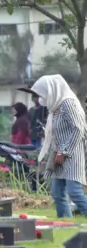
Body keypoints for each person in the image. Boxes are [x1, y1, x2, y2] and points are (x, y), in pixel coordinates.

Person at [31, 74, 87, 218]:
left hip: (72, 153)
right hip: (58, 154)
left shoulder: (68, 103)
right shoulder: (56, 107)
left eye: (43, 93)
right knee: (57, 192)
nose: (41, 97)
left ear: (52, 90)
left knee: (74, 192)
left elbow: (78, 128)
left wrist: (65, 151)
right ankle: (65, 225)